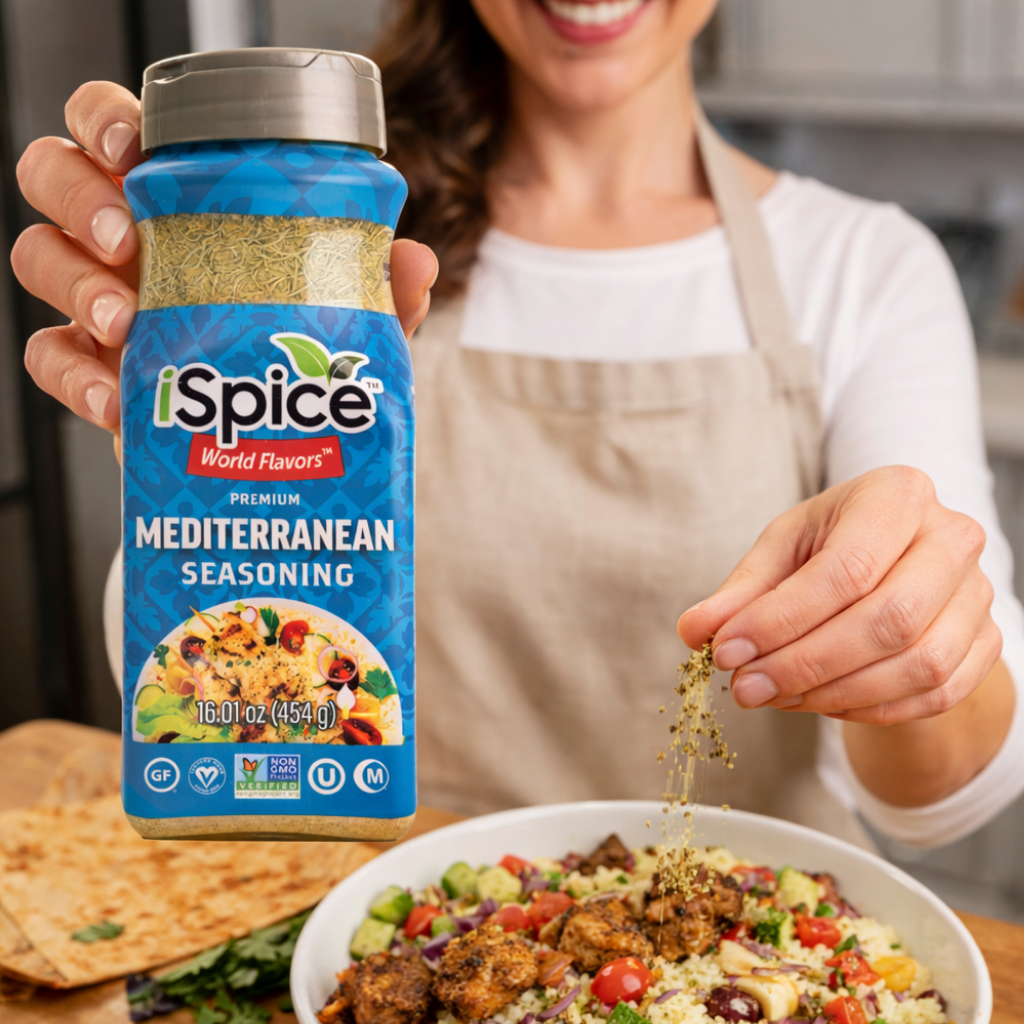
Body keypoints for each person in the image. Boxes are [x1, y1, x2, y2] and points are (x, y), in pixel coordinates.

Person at [12, 0, 1024, 848]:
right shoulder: (338, 236)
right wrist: (178, 471)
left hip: (739, 954)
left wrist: (916, 634)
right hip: (379, 943)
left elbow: (943, 795)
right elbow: (190, 709)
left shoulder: (865, 266)